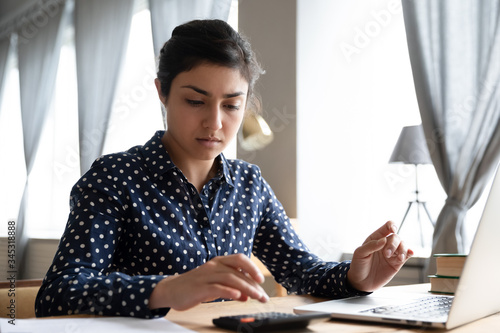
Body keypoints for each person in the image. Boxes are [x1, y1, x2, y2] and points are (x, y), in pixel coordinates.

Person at [35, 19, 413, 318]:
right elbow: (58, 293)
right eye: (195, 101)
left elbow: (299, 270)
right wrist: (166, 289)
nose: (214, 122)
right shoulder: (116, 177)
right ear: (162, 92)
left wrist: (356, 278)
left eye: (232, 105)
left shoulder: (248, 184)